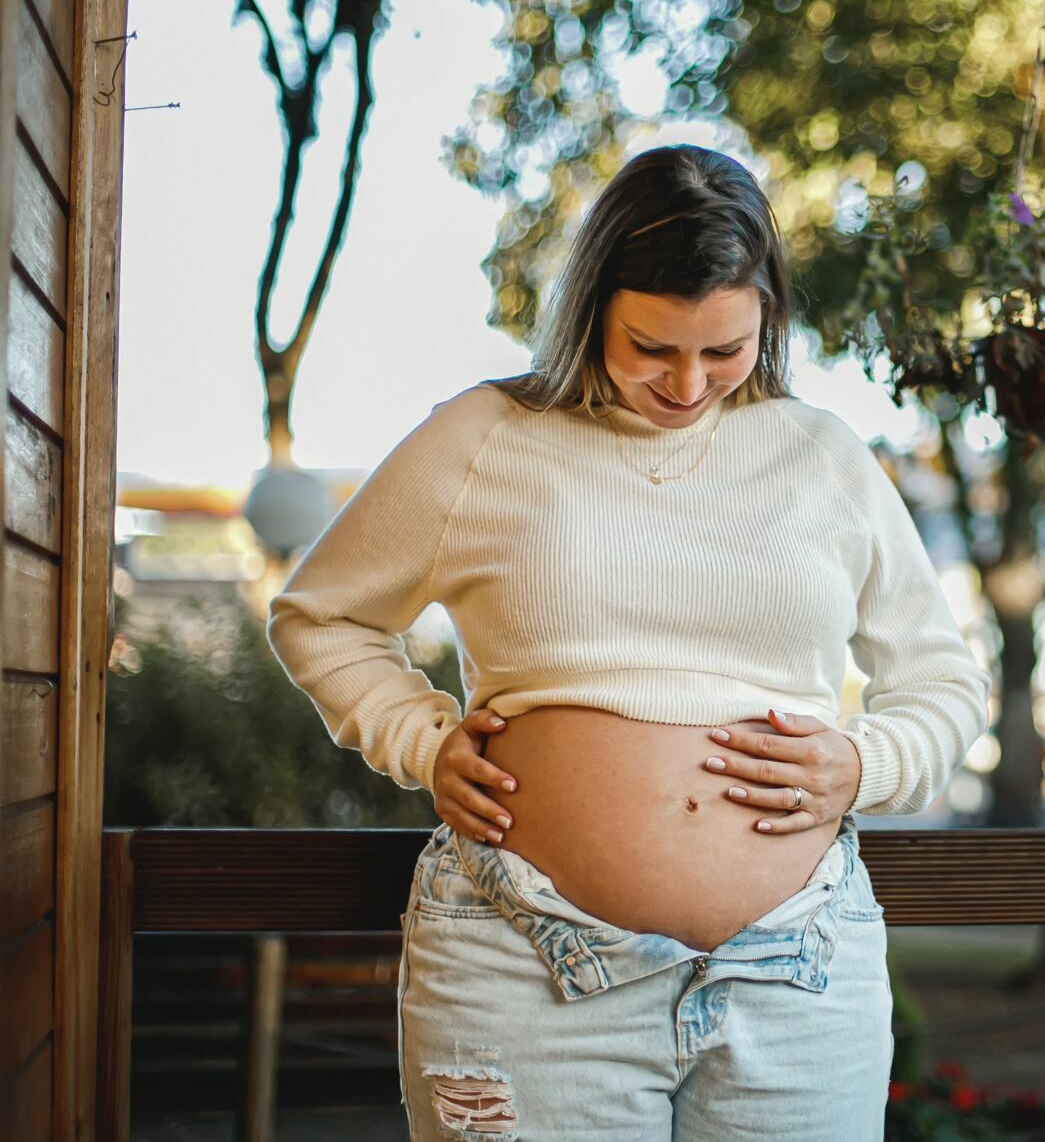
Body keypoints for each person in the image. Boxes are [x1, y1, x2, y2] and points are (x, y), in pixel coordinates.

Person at [265, 143, 994, 1140]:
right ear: (593, 304)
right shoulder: (485, 437)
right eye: (653, 347)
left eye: (725, 349)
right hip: (523, 964)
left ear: (767, 320)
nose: (689, 384)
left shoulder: (824, 457)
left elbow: (947, 681)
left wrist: (864, 760)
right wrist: (421, 739)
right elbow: (321, 612)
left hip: (798, 972)